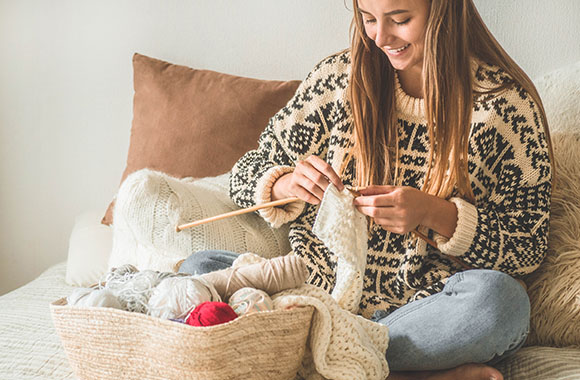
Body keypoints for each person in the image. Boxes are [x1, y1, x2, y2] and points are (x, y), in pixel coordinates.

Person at [180, 0, 553, 379]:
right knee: (196, 270)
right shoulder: (336, 80)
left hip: (421, 309)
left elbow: (527, 247)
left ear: (444, 11)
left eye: (400, 20)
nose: (380, 37)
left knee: (500, 305)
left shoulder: (505, 107)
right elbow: (244, 173)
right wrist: (284, 183)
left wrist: (433, 213)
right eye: (368, 19)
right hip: (319, 290)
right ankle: (392, 371)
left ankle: (322, 355)